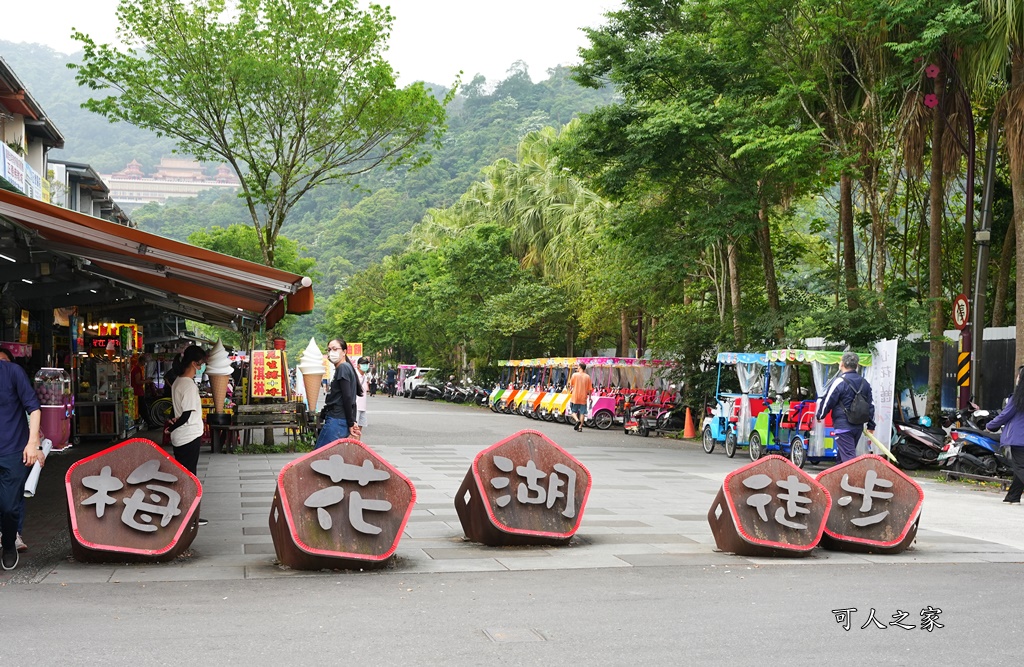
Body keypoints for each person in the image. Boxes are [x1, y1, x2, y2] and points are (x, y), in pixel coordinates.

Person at [0, 346, 43, 570]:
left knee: (9, 507)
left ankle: (8, 544)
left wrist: (33, 443)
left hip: (12, 451)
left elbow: (34, 409)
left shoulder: (12, 372)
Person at [166, 345, 208, 526]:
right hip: (189, 435)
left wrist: (172, 427)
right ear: (194, 363)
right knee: (190, 477)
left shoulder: (177, 382)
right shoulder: (188, 385)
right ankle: (190, 517)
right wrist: (172, 428)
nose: (201, 368)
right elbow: (187, 414)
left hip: (181, 437)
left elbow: (178, 411)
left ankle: (185, 514)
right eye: (200, 364)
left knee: (185, 476)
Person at [815, 351, 875, 463]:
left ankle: (855, 480)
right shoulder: (865, 383)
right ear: (857, 366)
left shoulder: (839, 381)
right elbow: (870, 405)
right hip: (858, 426)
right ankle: (838, 479)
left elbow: (828, 400)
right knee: (842, 458)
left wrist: (820, 415)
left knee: (848, 458)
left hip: (843, 426)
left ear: (841, 364)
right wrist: (871, 425)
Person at [983, 366, 1024, 504]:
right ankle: (1013, 496)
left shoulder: (1017, 398)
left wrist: (990, 426)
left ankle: (1013, 496)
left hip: (1019, 438)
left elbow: (1005, 415)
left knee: (1020, 468)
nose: (1017, 378)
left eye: (1018, 376)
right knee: (1020, 468)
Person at [315, 339, 362, 448]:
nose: (332, 352)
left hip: (336, 420)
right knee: (332, 458)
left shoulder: (343, 368)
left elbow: (347, 397)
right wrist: (352, 421)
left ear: (344, 352)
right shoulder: (347, 368)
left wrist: (351, 423)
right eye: (329, 350)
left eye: (335, 349)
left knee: (319, 457)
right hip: (341, 420)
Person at [568, 361, 593, 432]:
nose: (577, 368)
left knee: (573, 411)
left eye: (578, 366)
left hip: (575, 396)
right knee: (582, 413)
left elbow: (570, 385)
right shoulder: (587, 377)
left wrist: (570, 390)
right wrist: (590, 397)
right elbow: (590, 389)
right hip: (583, 397)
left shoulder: (574, 375)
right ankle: (580, 427)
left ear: (580, 367)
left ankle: (577, 420)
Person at [355, 356, 371, 433]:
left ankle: (357, 444)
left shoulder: (364, 376)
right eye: (363, 364)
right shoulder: (355, 375)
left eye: (366, 364)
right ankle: (352, 445)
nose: (365, 366)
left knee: (360, 429)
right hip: (355, 406)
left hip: (362, 407)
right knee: (354, 429)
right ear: (358, 365)